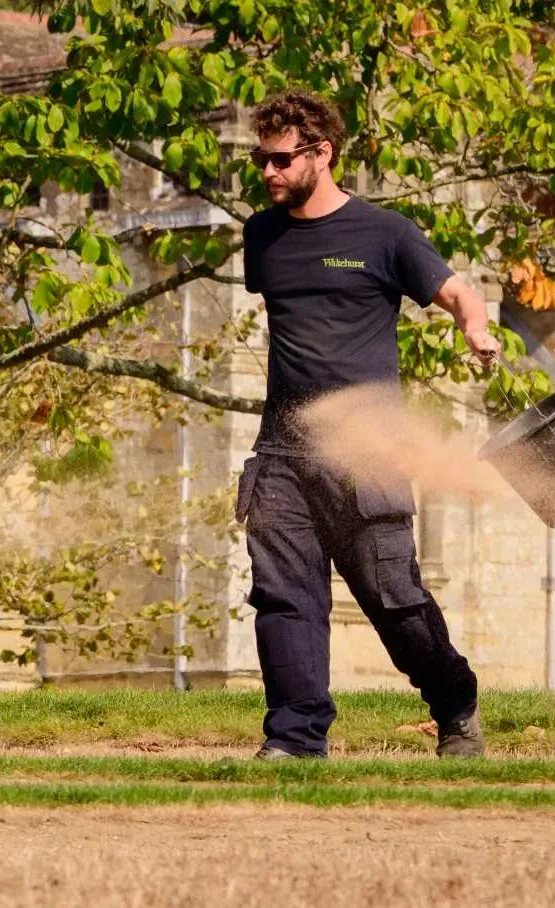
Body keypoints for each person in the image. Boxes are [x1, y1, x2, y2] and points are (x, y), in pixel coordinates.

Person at [230, 91, 499, 760]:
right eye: (259, 159)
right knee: (283, 600)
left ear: (323, 154)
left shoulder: (386, 234)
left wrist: (477, 328)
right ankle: (294, 737)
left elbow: (458, 290)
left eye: (281, 159)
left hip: (365, 455)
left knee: (393, 599)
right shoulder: (260, 238)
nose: (267, 172)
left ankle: (455, 703)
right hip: (282, 454)